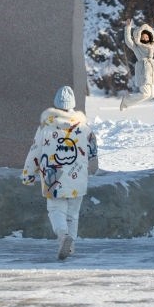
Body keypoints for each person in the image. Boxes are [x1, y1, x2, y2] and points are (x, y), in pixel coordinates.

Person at [21, 85, 99, 261]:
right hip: (77, 178)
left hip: (53, 178)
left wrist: (28, 173)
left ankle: (63, 236)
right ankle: (71, 245)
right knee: (73, 214)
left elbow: (35, 151)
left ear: (56, 104)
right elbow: (92, 151)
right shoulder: (84, 127)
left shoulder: (46, 126)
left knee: (56, 209)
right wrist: (90, 164)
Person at [120, 15, 154, 110]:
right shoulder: (136, 47)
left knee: (151, 94)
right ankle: (126, 101)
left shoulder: (152, 44)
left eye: (147, 36)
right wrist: (128, 27)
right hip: (143, 69)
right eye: (143, 37)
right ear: (139, 37)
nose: (146, 38)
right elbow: (128, 40)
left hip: (151, 71)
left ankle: (127, 102)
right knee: (145, 94)